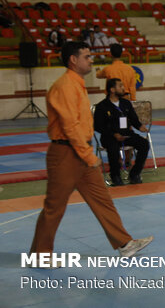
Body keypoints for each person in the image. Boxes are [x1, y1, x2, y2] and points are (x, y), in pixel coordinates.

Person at [28, 41, 152, 262]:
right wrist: (87, 154)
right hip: (67, 153)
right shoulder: (65, 85)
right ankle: (40, 255)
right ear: (73, 60)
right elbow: (69, 126)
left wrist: (86, 153)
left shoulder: (77, 84)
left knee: (102, 199)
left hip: (80, 151)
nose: (91, 60)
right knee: (55, 207)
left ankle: (124, 243)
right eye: (87, 56)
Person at [94, 78, 150, 186]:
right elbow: (97, 126)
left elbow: (133, 120)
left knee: (144, 144)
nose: (123, 88)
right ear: (112, 89)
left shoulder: (126, 104)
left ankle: (134, 173)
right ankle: (115, 176)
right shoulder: (102, 106)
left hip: (126, 134)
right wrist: (114, 134)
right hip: (109, 136)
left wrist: (140, 126)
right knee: (113, 148)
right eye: (120, 86)